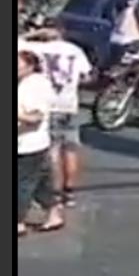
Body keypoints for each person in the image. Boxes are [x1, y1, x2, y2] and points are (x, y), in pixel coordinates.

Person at [19, 20, 93, 208]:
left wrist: (32, 35)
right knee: (70, 148)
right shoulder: (74, 50)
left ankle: (53, 193)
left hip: (47, 103)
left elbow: (19, 42)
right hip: (69, 104)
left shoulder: (34, 48)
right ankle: (69, 192)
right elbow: (87, 75)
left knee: (50, 151)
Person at [18, 49, 65, 236]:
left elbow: (35, 117)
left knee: (22, 183)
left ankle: (18, 222)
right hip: (28, 142)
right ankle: (54, 214)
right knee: (40, 181)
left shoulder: (37, 85)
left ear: (30, 66)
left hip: (29, 143)